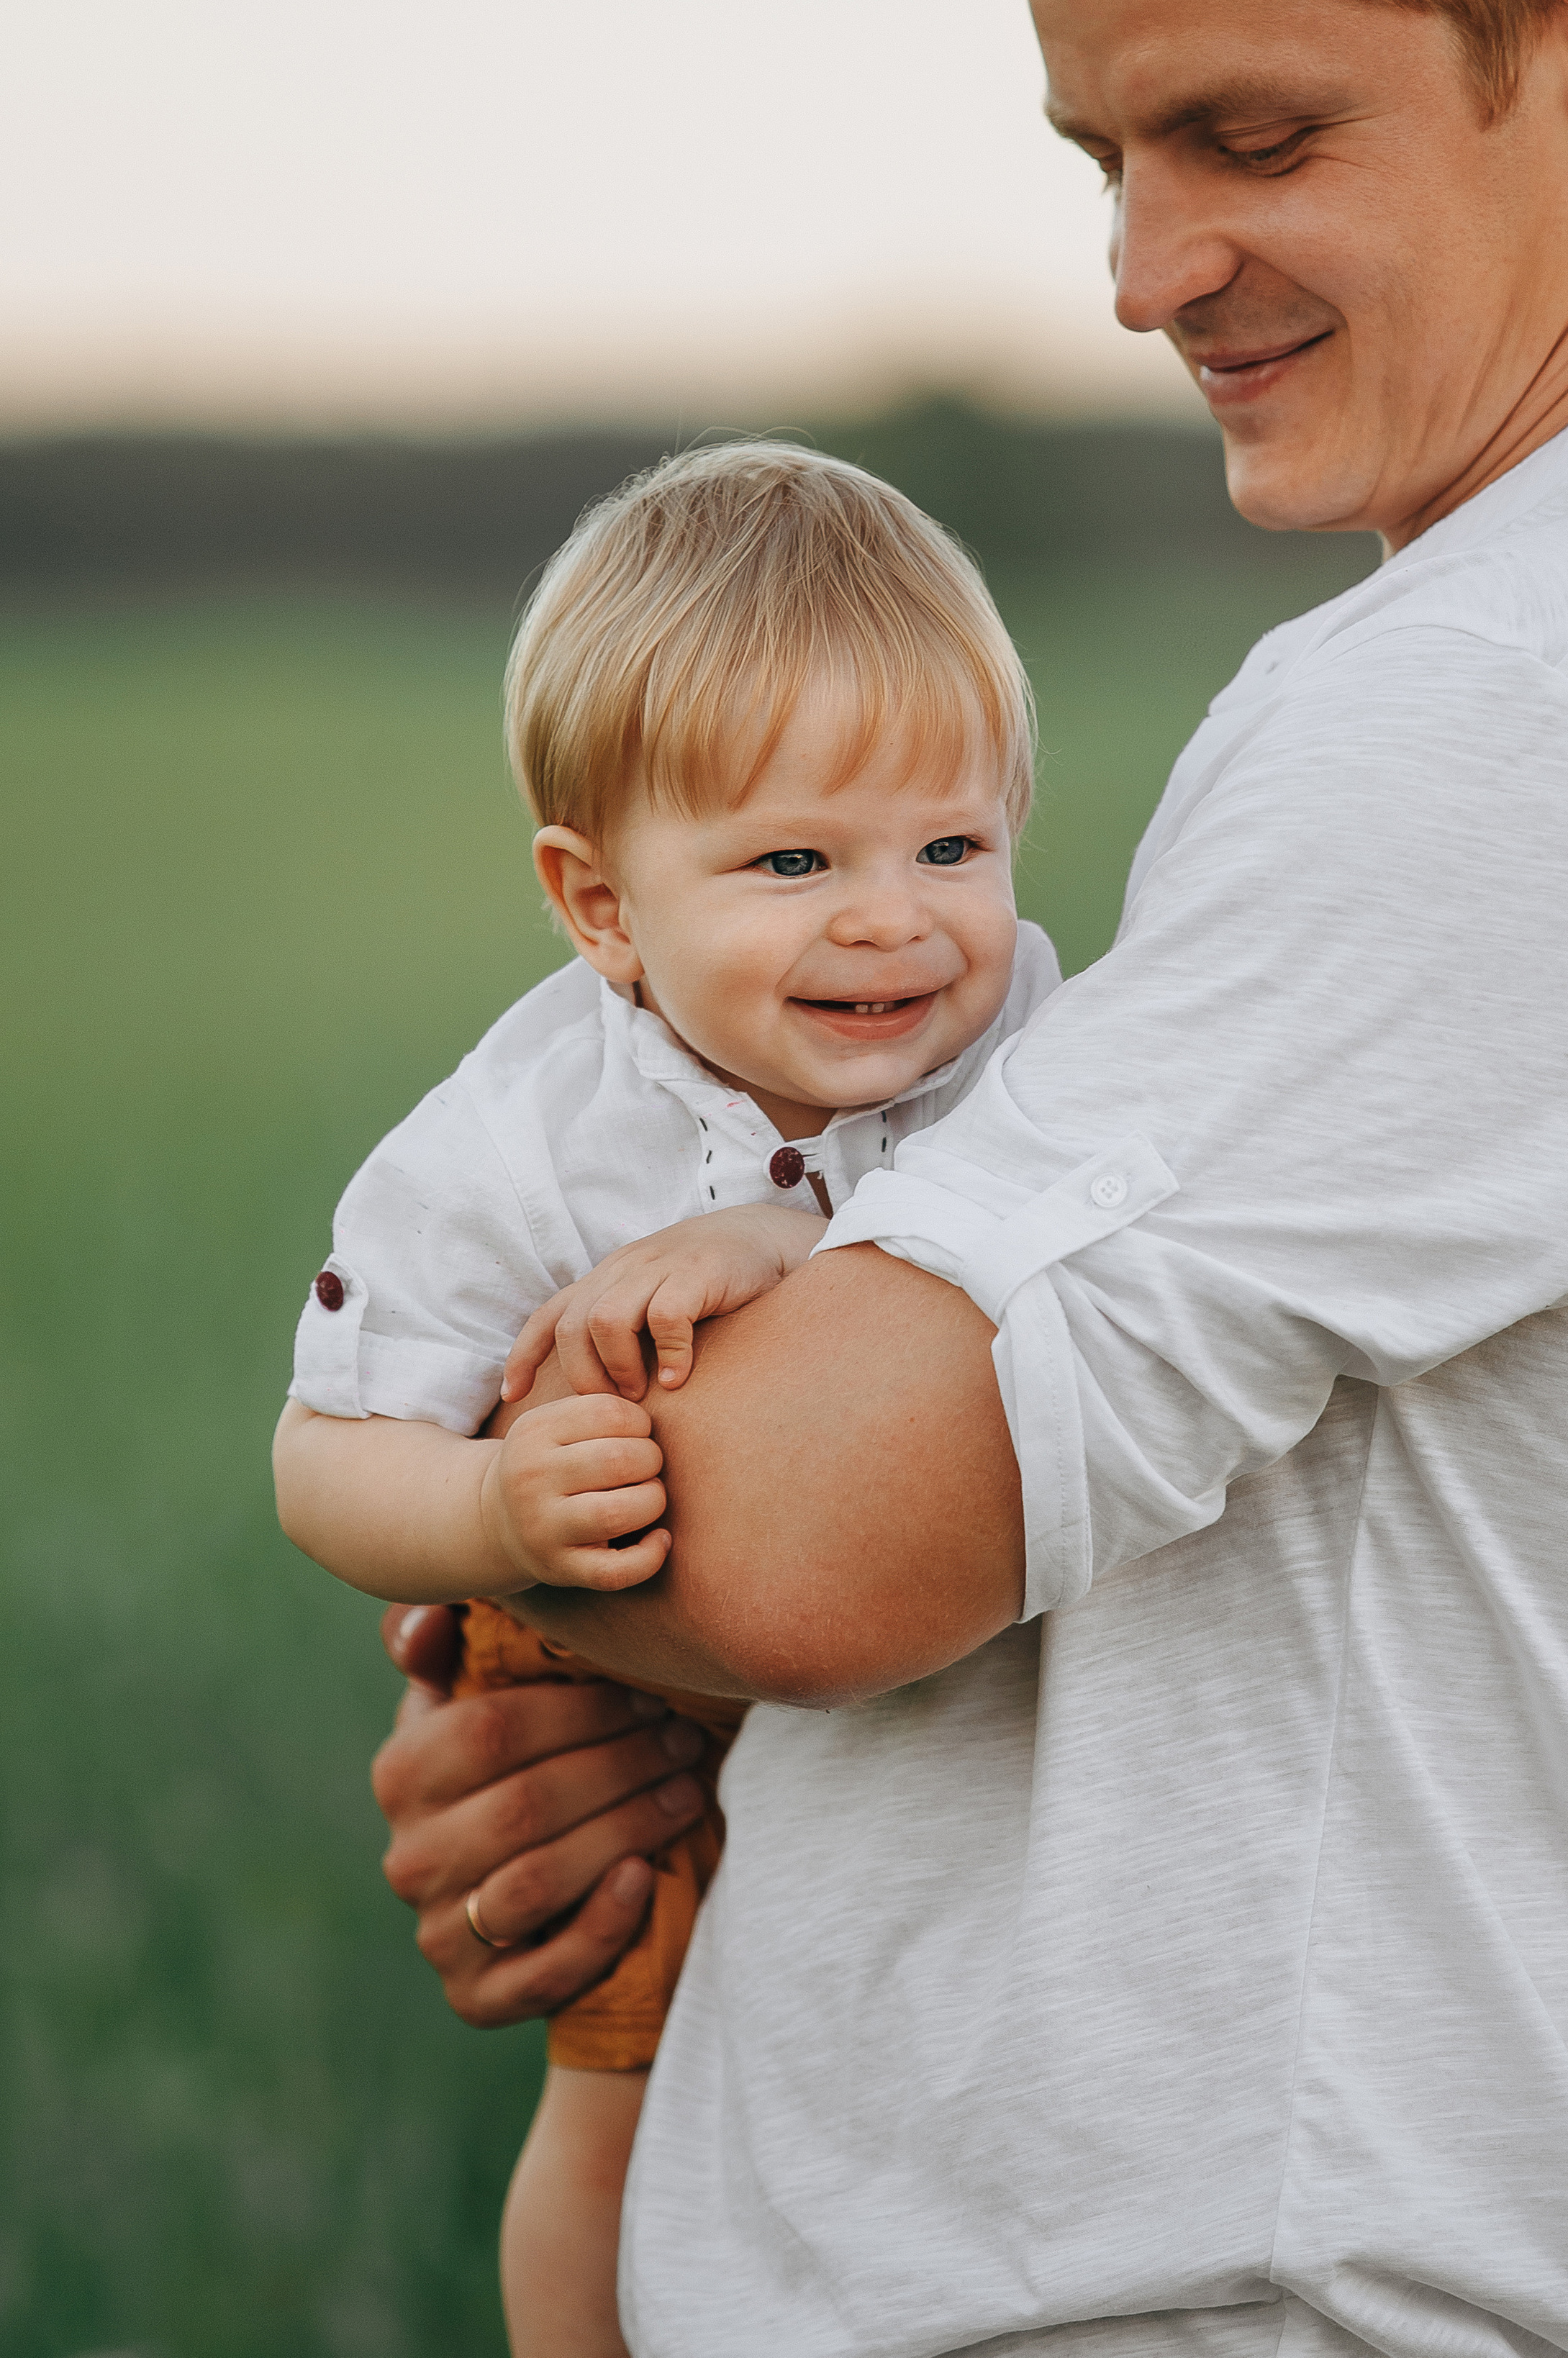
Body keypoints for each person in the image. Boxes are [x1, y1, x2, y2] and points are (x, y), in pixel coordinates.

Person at [366, 0, 1568, 2353]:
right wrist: (636, 1697)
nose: (1148, 272)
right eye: (1106, 159)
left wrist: (507, 1582)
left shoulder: (1540, 693)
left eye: (1251, 134)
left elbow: (812, 1523)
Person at [273, 439, 1058, 2357]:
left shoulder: (1036, 1040)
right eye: (794, 861)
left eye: (949, 845)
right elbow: (324, 1454)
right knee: (621, 2103)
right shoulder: (530, 1138)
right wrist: (490, 1523)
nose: (894, 919)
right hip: (603, 1673)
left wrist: (777, 1261)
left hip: (915, 1676)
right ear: (602, 905)